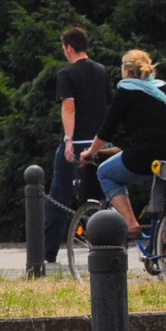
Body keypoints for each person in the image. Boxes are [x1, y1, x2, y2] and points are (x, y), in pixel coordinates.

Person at [81, 49, 166, 238]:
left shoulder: (127, 90)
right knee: (164, 201)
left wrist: (90, 152)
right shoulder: (164, 88)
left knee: (104, 172)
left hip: (145, 157)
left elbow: (107, 130)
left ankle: (131, 224)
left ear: (127, 71)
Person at [43, 27, 108, 267]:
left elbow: (69, 107)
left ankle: (48, 253)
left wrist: (68, 139)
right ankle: (106, 244)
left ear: (69, 48)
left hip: (77, 143)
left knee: (59, 196)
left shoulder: (66, 74)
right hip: (100, 143)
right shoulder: (102, 71)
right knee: (100, 196)